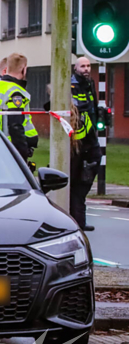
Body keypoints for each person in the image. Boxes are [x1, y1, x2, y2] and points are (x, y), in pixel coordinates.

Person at [0, 53, 38, 164]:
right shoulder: (15, 92)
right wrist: (22, 153)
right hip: (11, 148)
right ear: (24, 69)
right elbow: (15, 126)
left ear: (7, 68)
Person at [70, 56, 101, 231]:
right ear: (76, 68)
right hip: (77, 140)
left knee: (82, 182)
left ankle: (79, 219)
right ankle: (77, 220)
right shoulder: (71, 85)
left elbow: (92, 106)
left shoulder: (90, 83)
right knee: (75, 181)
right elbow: (76, 107)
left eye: (88, 66)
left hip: (89, 137)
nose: (86, 69)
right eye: (83, 66)